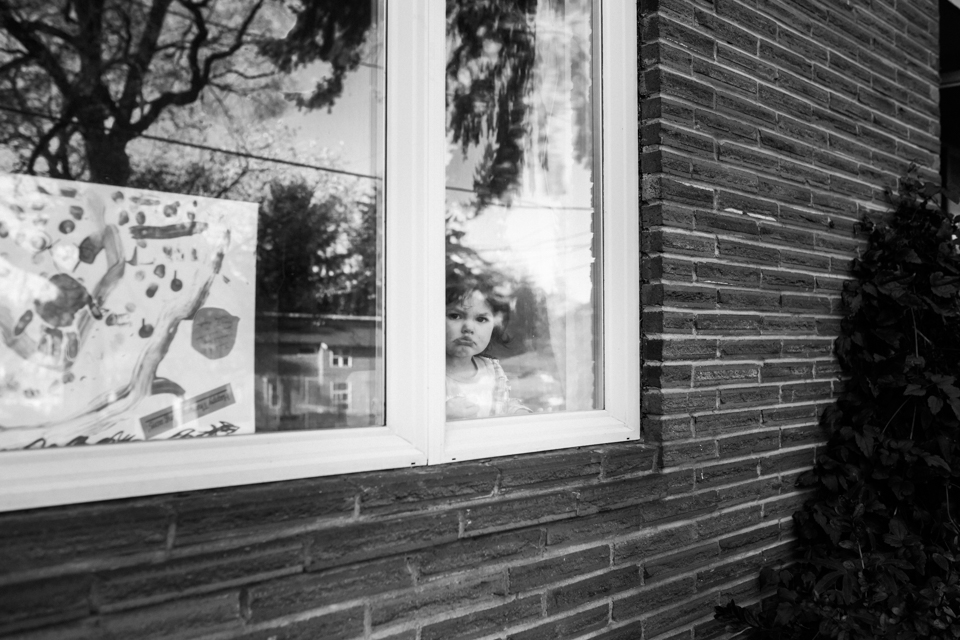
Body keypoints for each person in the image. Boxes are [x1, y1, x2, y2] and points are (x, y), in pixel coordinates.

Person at [445, 272, 530, 420]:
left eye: (481, 319)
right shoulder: (426, 373)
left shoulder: (492, 370)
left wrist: (517, 412)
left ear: (495, 327)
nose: (468, 328)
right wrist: (442, 412)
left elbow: (500, 405)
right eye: (455, 316)